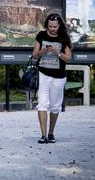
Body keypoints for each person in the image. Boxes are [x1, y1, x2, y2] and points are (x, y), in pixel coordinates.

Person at [32, 13, 72, 144]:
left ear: (59, 25)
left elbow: (68, 58)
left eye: (54, 26)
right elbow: (34, 55)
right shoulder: (41, 35)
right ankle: (43, 135)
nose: (52, 28)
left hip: (59, 77)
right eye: (50, 26)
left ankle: (51, 133)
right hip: (43, 74)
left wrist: (57, 53)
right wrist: (42, 52)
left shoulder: (64, 38)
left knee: (55, 106)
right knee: (42, 104)